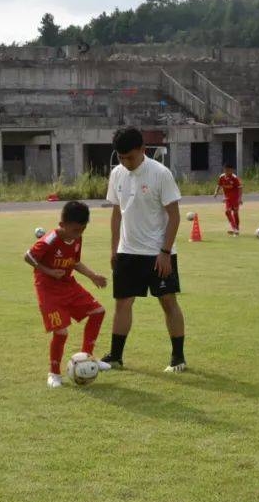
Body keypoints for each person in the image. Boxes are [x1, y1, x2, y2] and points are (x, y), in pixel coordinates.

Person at [101, 127, 187, 373]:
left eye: (130, 157)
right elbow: (117, 213)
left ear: (143, 150)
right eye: (121, 157)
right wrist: (114, 248)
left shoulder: (160, 173)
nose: (125, 162)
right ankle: (116, 356)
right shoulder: (117, 173)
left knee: (168, 301)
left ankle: (178, 357)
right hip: (127, 252)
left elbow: (174, 216)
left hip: (158, 253)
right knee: (122, 303)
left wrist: (165, 252)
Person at [25, 201, 111, 388]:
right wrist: (49, 271)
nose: (79, 234)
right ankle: (54, 373)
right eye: (75, 230)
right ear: (62, 225)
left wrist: (93, 276)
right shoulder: (50, 239)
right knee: (61, 332)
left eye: (83, 229)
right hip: (48, 289)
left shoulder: (77, 238)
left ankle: (88, 357)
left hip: (68, 285)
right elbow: (29, 256)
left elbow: (75, 262)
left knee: (98, 311)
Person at [213, 163, 243, 236]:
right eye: (226, 170)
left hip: (235, 198)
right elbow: (219, 185)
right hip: (227, 198)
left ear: (232, 170)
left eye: (229, 170)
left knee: (235, 213)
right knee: (227, 212)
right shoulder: (222, 177)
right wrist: (216, 192)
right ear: (224, 170)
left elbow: (240, 188)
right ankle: (234, 228)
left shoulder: (235, 178)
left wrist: (240, 199)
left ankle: (237, 228)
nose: (227, 172)